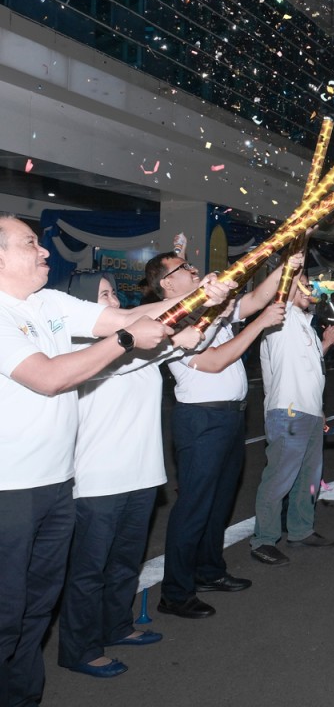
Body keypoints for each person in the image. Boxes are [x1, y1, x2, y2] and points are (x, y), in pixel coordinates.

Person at [0, 214, 215, 701]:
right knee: (7, 615)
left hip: (57, 484)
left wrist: (206, 294)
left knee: (36, 611)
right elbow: (50, 377)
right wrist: (123, 341)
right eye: (31, 243)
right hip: (9, 492)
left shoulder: (47, 304)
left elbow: (129, 319)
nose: (44, 251)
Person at [55, 273, 203, 679]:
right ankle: (79, 649)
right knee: (88, 570)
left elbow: (167, 345)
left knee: (124, 562)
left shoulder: (133, 342)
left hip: (141, 473)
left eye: (113, 293)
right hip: (97, 479)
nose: (114, 301)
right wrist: (170, 340)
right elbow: (125, 361)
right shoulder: (82, 348)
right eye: (103, 296)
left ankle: (116, 626)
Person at [152, 251, 289, 620]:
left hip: (229, 419)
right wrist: (258, 324)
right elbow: (214, 361)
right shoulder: (170, 320)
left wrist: (292, 251)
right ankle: (175, 593)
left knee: (218, 503)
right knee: (194, 507)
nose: (195, 270)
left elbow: (261, 296)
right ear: (166, 283)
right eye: (184, 269)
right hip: (201, 421)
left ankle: (208, 571)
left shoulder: (217, 308)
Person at [250, 269, 334, 567]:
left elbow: (307, 370)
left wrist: (326, 344)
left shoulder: (304, 324)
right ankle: (264, 540)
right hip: (288, 411)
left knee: (308, 478)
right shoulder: (282, 316)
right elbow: (282, 288)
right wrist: (293, 264)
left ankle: (300, 530)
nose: (312, 288)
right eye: (306, 284)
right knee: (279, 477)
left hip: (308, 411)